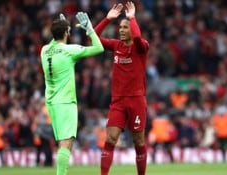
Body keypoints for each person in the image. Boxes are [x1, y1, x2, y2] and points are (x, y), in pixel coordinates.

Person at [40, 12, 103, 175]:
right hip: (65, 102)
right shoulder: (70, 51)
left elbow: (55, 41)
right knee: (66, 143)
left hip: (52, 102)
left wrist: (61, 27)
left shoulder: (44, 50)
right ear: (67, 32)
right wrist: (89, 28)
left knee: (62, 142)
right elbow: (99, 48)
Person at [94, 2, 149, 175]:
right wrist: (107, 19)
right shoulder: (116, 46)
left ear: (132, 28)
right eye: (120, 27)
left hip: (136, 101)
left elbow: (138, 37)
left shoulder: (141, 47)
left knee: (138, 142)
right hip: (117, 102)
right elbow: (93, 38)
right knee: (110, 139)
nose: (121, 30)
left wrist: (131, 17)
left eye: (125, 27)